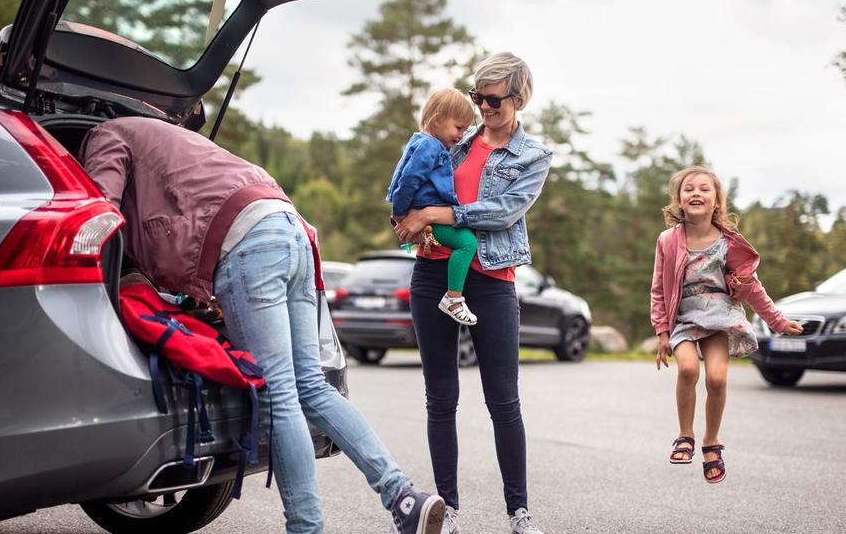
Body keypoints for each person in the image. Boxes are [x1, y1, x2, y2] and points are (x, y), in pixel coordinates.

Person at [79, 116, 445, 534]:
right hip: (293, 231)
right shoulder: (181, 142)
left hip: (250, 246)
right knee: (310, 385)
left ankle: (306, 528)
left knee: (279, 394)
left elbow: (101, 208)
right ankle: (402, 496)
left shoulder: (106, 133)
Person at [392, 53, 550, 534]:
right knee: (440, 398)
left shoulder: (532, 156)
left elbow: (502, 210)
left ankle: (518, 513)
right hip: (431, 277)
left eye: (493, 98)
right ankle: (447, 509)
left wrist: (434, 216)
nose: (482, 106)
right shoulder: (454, 138)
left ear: (519, 99)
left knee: (504, 400)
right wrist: (404, 219)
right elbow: (410, 185)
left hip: (492, 281)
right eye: (478, 96)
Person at [650, 165, 804, 484]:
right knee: (689, 369)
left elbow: (752, 286)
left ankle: (711, 441)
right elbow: (657, 289)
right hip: (683, 316)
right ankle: (685, 434)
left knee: (717, 379)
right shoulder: (667, 240)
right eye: (689, 188)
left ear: (717, 201)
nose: (696, 193)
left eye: (704, 189)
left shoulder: (729, 243)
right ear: (678, 200)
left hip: (720, 317)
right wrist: (662, 331)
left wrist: (776, 320)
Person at [387, 88, 480, 325]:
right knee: (467, 243)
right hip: (428, 213)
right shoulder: (431, 146)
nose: (461, 135)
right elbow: (408, 179)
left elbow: (400, 174)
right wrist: (400, 212)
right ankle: (454, 298)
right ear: (438, 119)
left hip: (424, 216)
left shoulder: (418, 141)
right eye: (458, 128)